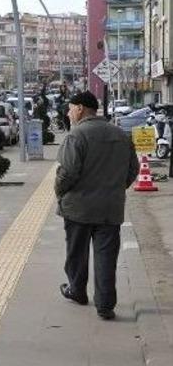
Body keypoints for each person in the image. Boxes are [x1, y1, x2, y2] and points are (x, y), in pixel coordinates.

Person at [55, 91, 139, 320]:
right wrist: (115, 189)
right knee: (106, 256)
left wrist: (59, 191)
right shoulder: (121, 135)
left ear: (80, 108)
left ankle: (77, 290)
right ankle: (105, 305)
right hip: (109, 209)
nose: (69, 112)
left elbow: (67, 172)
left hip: (78, 208)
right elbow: (133, 169)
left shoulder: (77, 135)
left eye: (71, 107)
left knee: (76, 253)